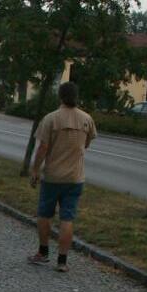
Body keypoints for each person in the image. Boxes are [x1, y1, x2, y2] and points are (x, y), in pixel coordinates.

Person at [28, 80, 96, 272]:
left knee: (44, 214)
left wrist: (35, 170)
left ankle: (43, 252)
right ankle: (62, 261)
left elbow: (43, 147)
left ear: (60, 96)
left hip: (52, 176)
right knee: (67, 218)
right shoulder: (86, 119)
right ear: (76, 96)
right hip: (75, 177)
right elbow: (87, 144)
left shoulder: (51, 119)